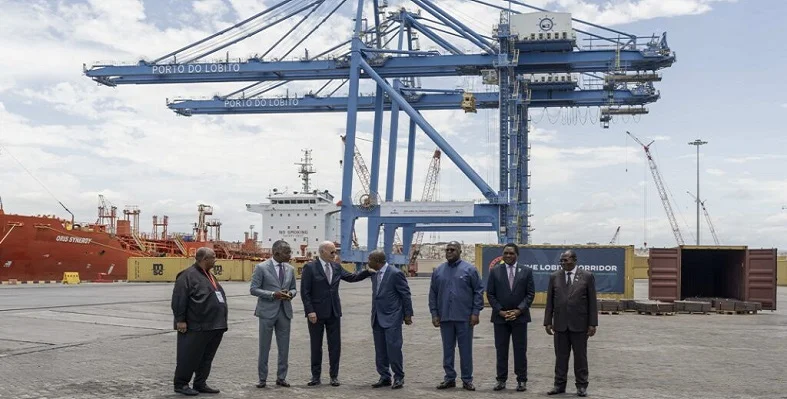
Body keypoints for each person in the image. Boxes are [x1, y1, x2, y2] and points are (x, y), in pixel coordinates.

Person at [300, 240, 372, 386]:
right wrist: (310, 311)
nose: (335, 254)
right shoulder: (310, 267)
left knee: (335, 346)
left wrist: (367, 272)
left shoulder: (337, 267)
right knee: (316, 345)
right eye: (332, 252)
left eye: (335, 251)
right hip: (316, 314)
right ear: (322, 252)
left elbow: (352, 277)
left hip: (334, 312)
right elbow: (305, 292)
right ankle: (316, 376)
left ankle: (334, 376)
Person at [171, 247, 227, 396]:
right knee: (188, 356)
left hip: (214, 326)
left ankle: (200, 382)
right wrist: (180, 320)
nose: (215, 260)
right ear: (204, 259)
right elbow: (178, 299)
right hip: (196, 326)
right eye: (213, 257)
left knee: (206, 358)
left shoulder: (209, 276)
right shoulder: (187, 276)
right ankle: (181, 384)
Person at [428, 241, 484, 391]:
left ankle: (467, 379)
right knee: (447, 350)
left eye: (452, 249)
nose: (449, 252)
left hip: (464, 318)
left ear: (460, 251)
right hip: (445, 317)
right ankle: (449, 378)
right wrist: (434, 314)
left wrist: (475, 313)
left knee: (465, 350)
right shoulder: (438, 271)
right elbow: (433, 293)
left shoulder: (470, 269)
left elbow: (478, 291)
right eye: (447, 250)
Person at [544, 250, 598, 397]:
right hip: (560, 325)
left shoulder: (587, 276)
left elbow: (592, 302)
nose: (563, 263)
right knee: (561, 357)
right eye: (561, 260)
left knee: (580, 356)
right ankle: (559, 385)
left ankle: (581, 385)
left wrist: (592, 324)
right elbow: (550, 302)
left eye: (566, 260)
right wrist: (548, 321)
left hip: (580, 325)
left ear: (574, 260)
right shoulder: (554, 277)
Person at [486, 243, 535, 392]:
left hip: (520, 318)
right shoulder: (495, 271)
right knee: (501, 350)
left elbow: (530, 294)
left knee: (520, 350)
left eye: (511, 253)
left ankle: (521, 380)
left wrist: (519, 310)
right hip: (500, 318)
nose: (508, 256)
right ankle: (501, 380)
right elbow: (490, 294)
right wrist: (500, 311)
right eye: (505, 253)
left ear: (517, 255)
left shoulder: (526, 271)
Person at [250, 240, 297, 388]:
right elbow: (254, 289)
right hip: (267, 313)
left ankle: (281, 377)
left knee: (284, 348)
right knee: (264, 347)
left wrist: (290, 293)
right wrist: (272, 294)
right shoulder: (261, 268)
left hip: (284, 312)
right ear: (276, 252)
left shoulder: (290, 269)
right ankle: (262, 379)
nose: (290, 255)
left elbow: (295, 288)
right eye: (287, 252)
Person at [367, 250, 413, 390]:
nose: (368, 263)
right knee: (380, 350)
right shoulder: (374, 275)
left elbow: (405, 294)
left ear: (377, 261)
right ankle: (384, 376)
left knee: (393, 349)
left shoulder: (395, 274)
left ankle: (398, 377)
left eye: (370, 260)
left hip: (392, 317)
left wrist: (408, 315)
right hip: (377, 317)